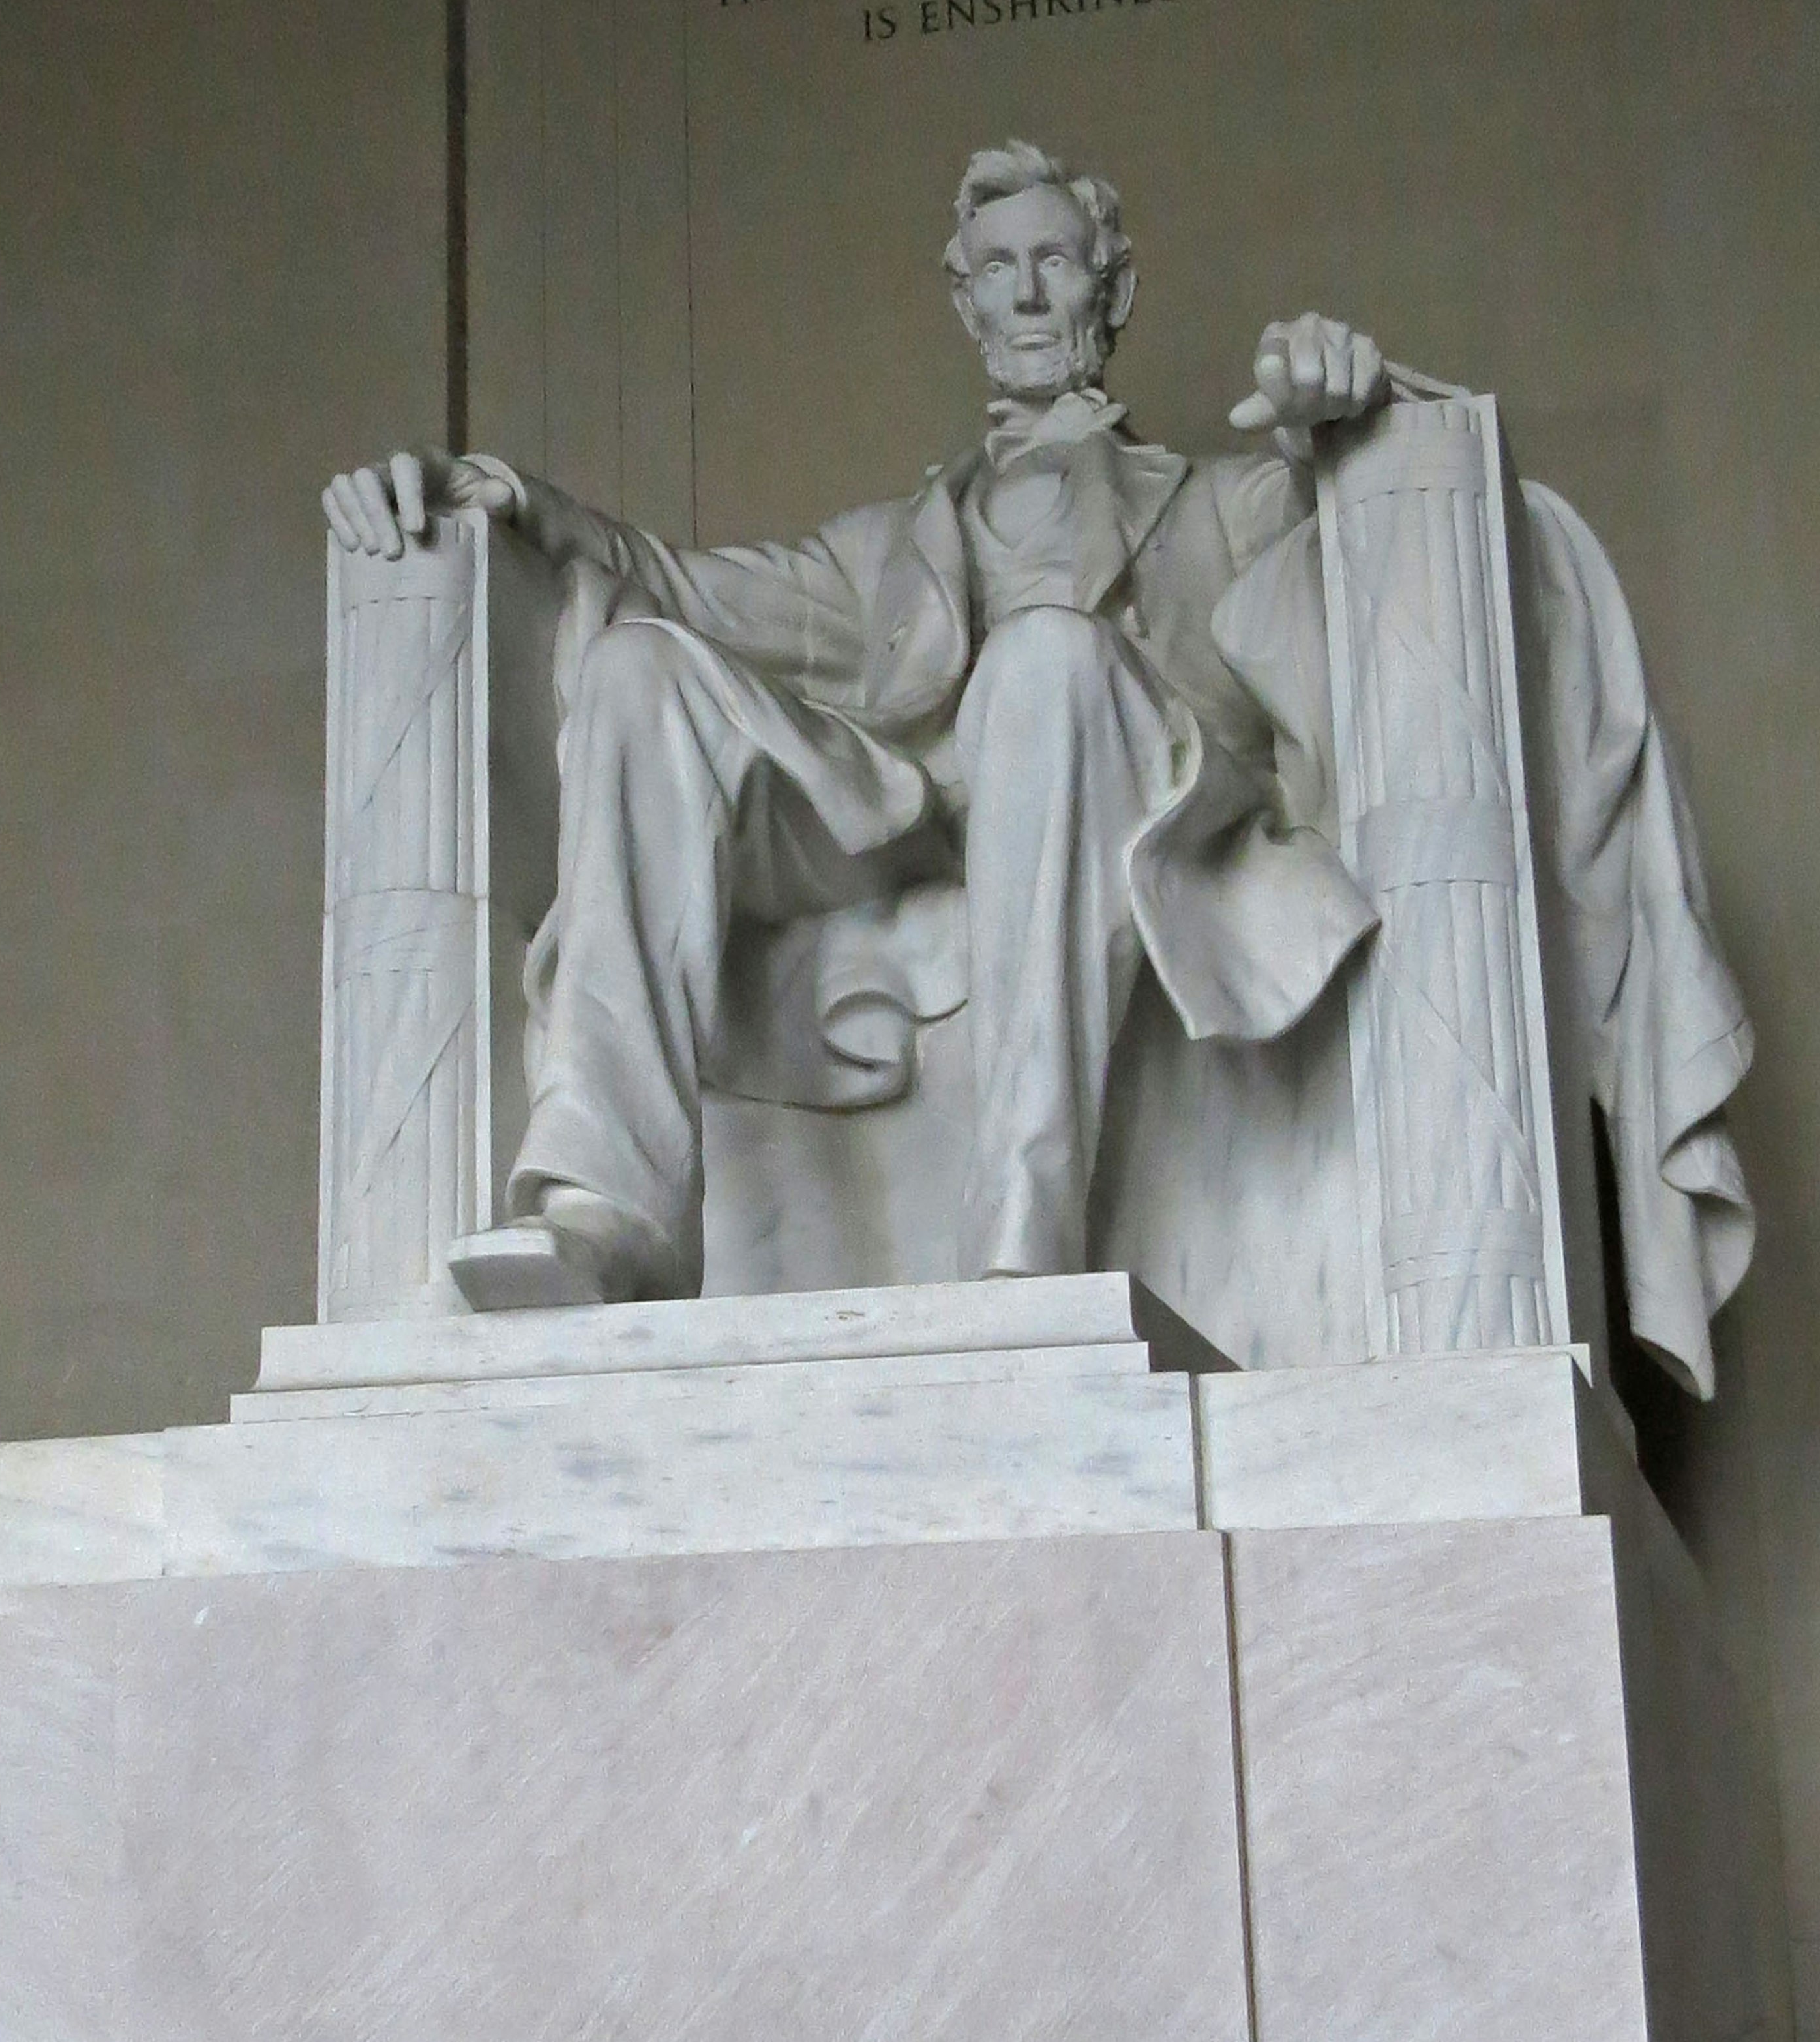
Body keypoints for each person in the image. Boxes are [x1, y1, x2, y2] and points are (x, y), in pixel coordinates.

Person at [324, 138, 1388, 1306]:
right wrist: (500, 493)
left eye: (1055, 262)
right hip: (915, 816)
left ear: (1115, 289)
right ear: (964, 298)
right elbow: (679, 583)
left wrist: (1329, 416)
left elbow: (1331, 524)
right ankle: (611, 1210)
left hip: (1115, 798)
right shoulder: (892, 549)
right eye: (995, 268)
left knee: (1045, 655)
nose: (1026, 293)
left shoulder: (1217, 501)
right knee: (639, 670)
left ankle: (1022, 1245)